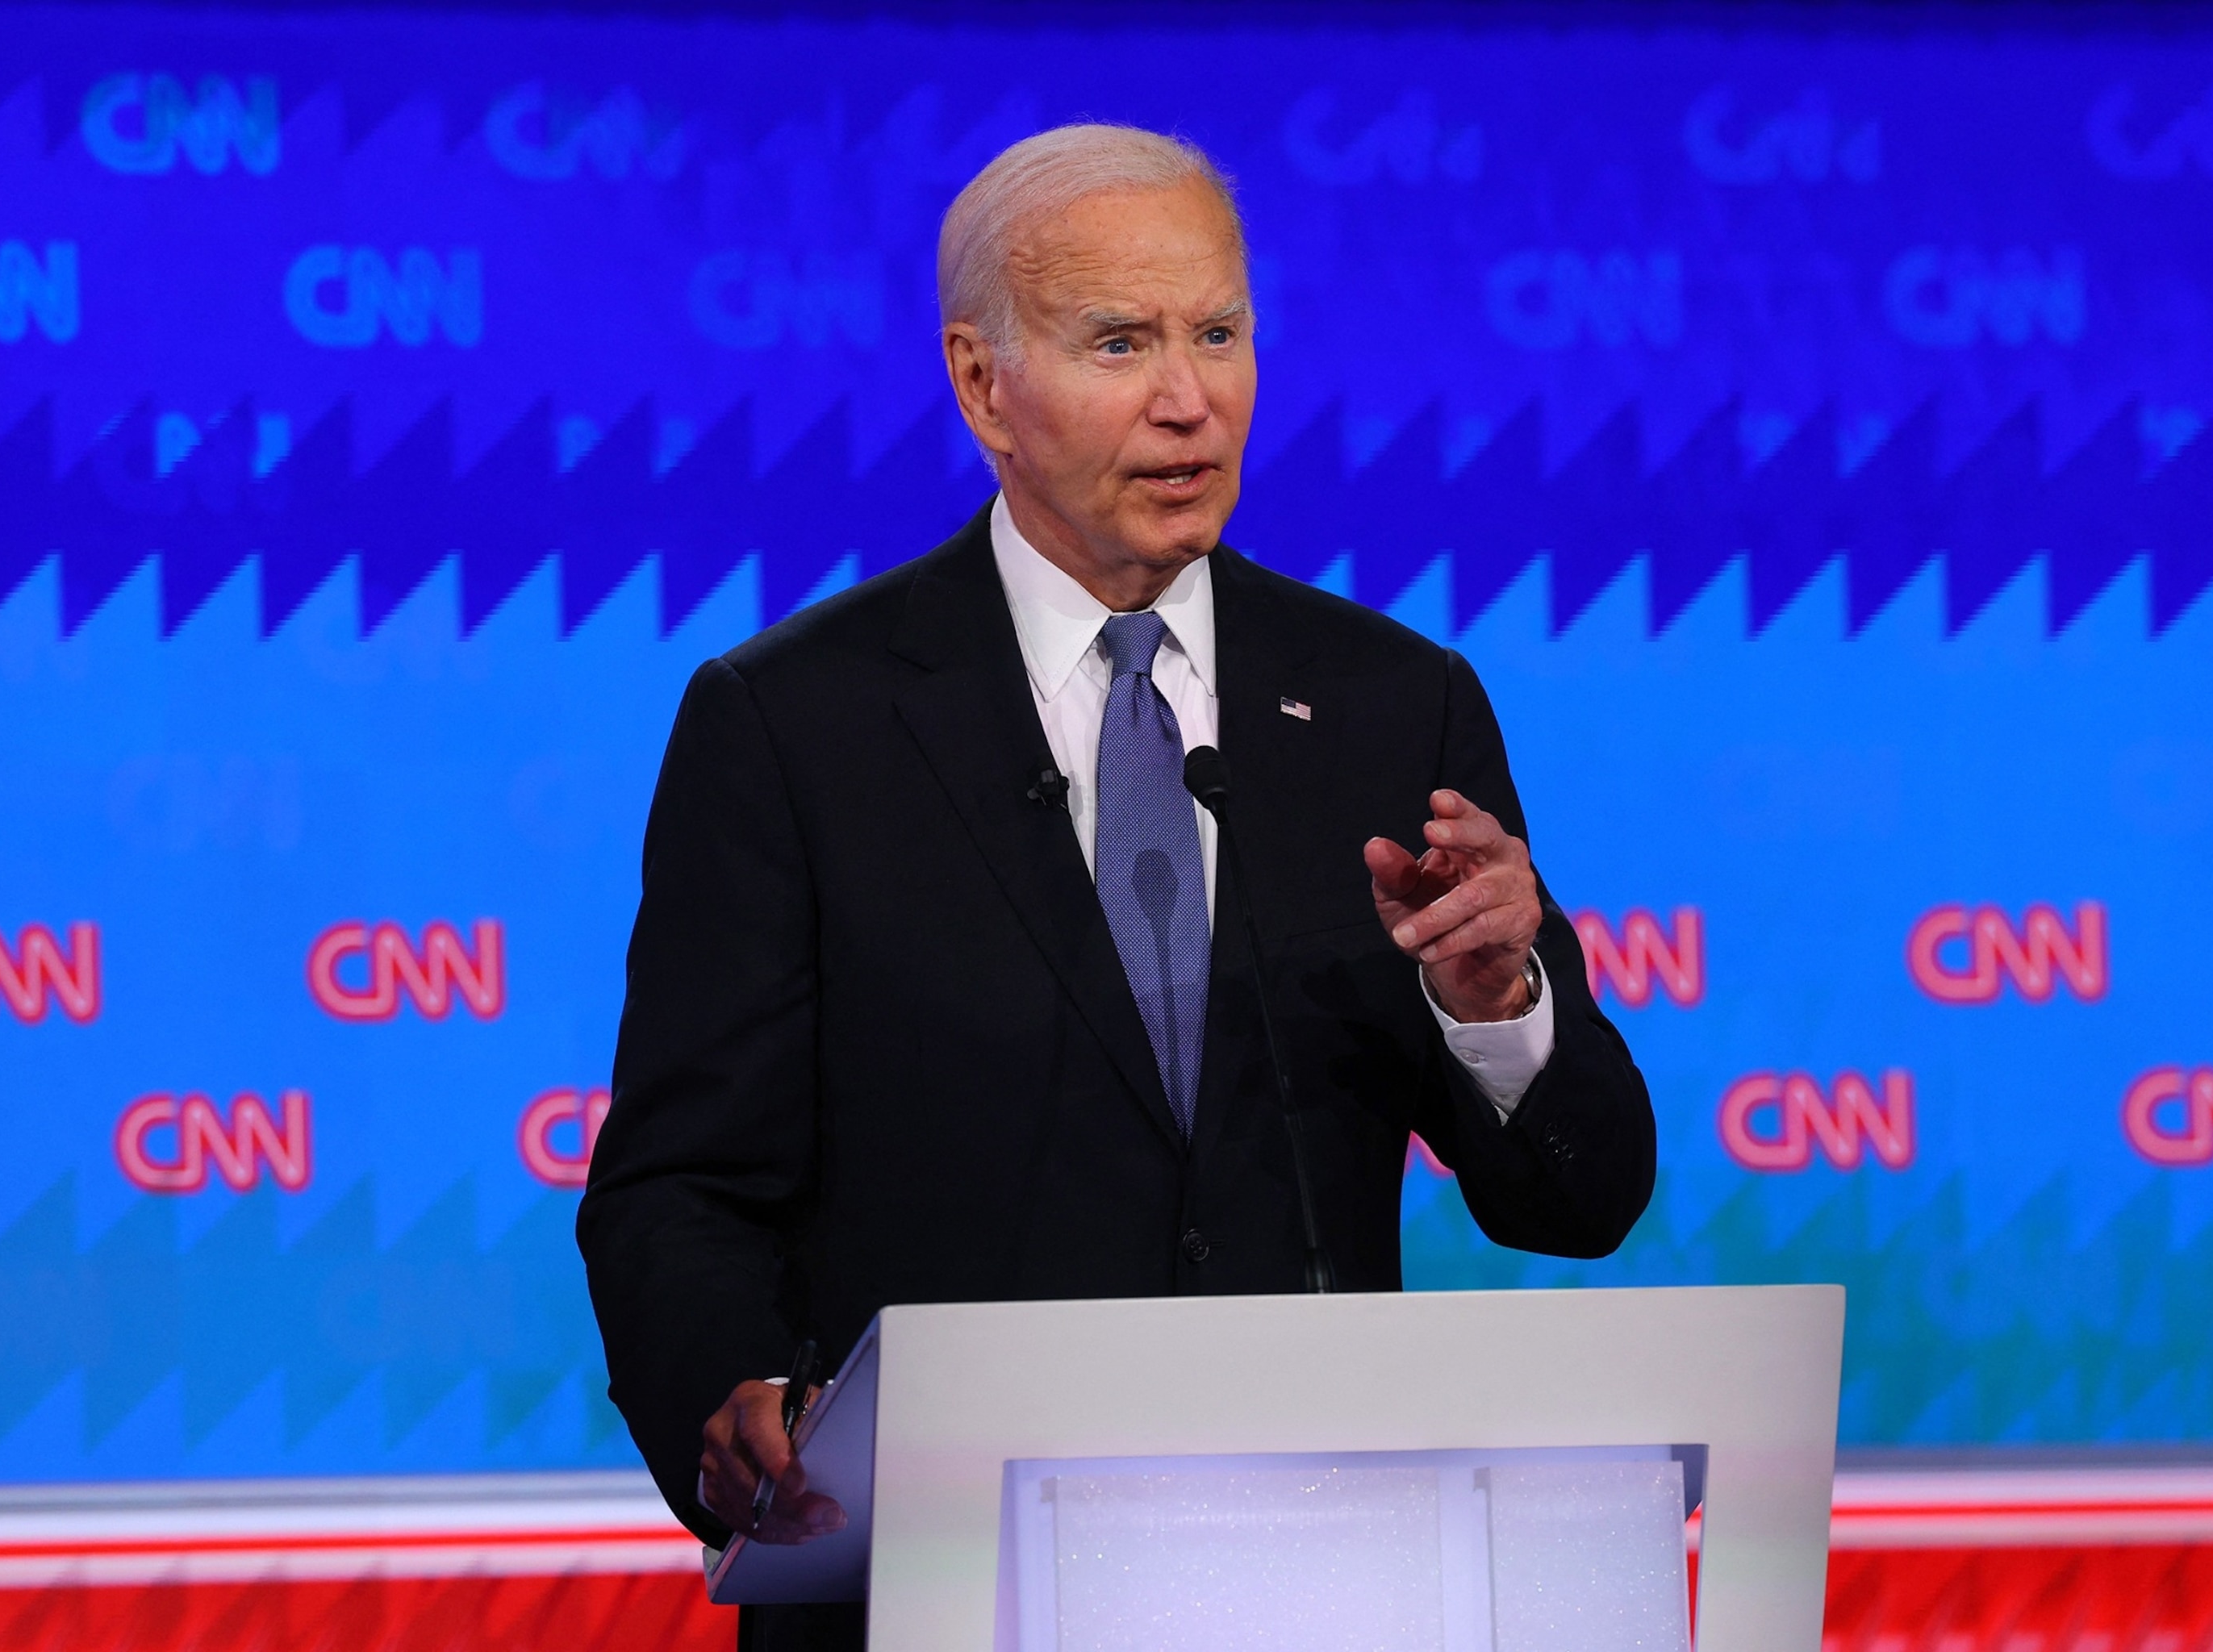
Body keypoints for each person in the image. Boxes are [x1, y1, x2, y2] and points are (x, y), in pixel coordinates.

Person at [578, 123, 1656, 1651]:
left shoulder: (1386, 704)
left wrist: (1503, 1012)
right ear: (980, 384)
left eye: (1218, 333)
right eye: (1120, 341)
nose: (1188, 398)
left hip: (1326, 1578)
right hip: (944, 1590)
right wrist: (737, 1398)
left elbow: (1581, 1199)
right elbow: (678, 1188)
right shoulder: (794, 726)